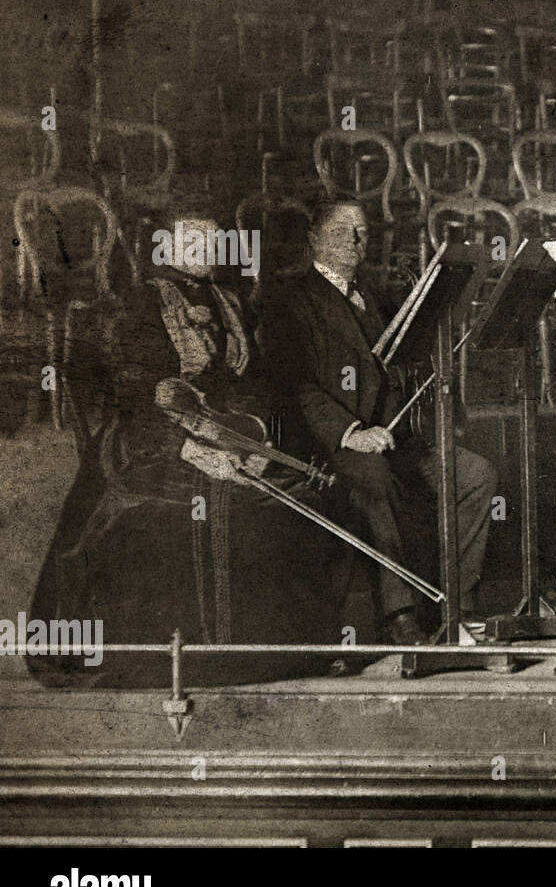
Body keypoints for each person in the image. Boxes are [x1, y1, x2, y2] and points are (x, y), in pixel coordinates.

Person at [28, 210, 344, 687]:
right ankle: (189, 660)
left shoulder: (233, 303)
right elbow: (133, 397)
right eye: (194, 244)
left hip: (229, 431)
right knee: (179, 514)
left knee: (294, 500)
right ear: (168, 250)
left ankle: (274, 655)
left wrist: (255, 437)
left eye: (214, 245)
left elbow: (255, 384)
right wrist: (191, 449)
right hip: (151, 443)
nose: (207, 254)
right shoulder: (139, 306)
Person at [265, 200, 497, 644]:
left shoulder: (373, 296)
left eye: (363, 232)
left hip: (393, 439)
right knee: (373, 480)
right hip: (332, 447)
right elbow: (299, 389)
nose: (355, 240)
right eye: (342, 230)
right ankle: (400, 617)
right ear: (314, 237)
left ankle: (458, 603)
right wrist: (352, 433)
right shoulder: (290, 303)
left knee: (475, 475)